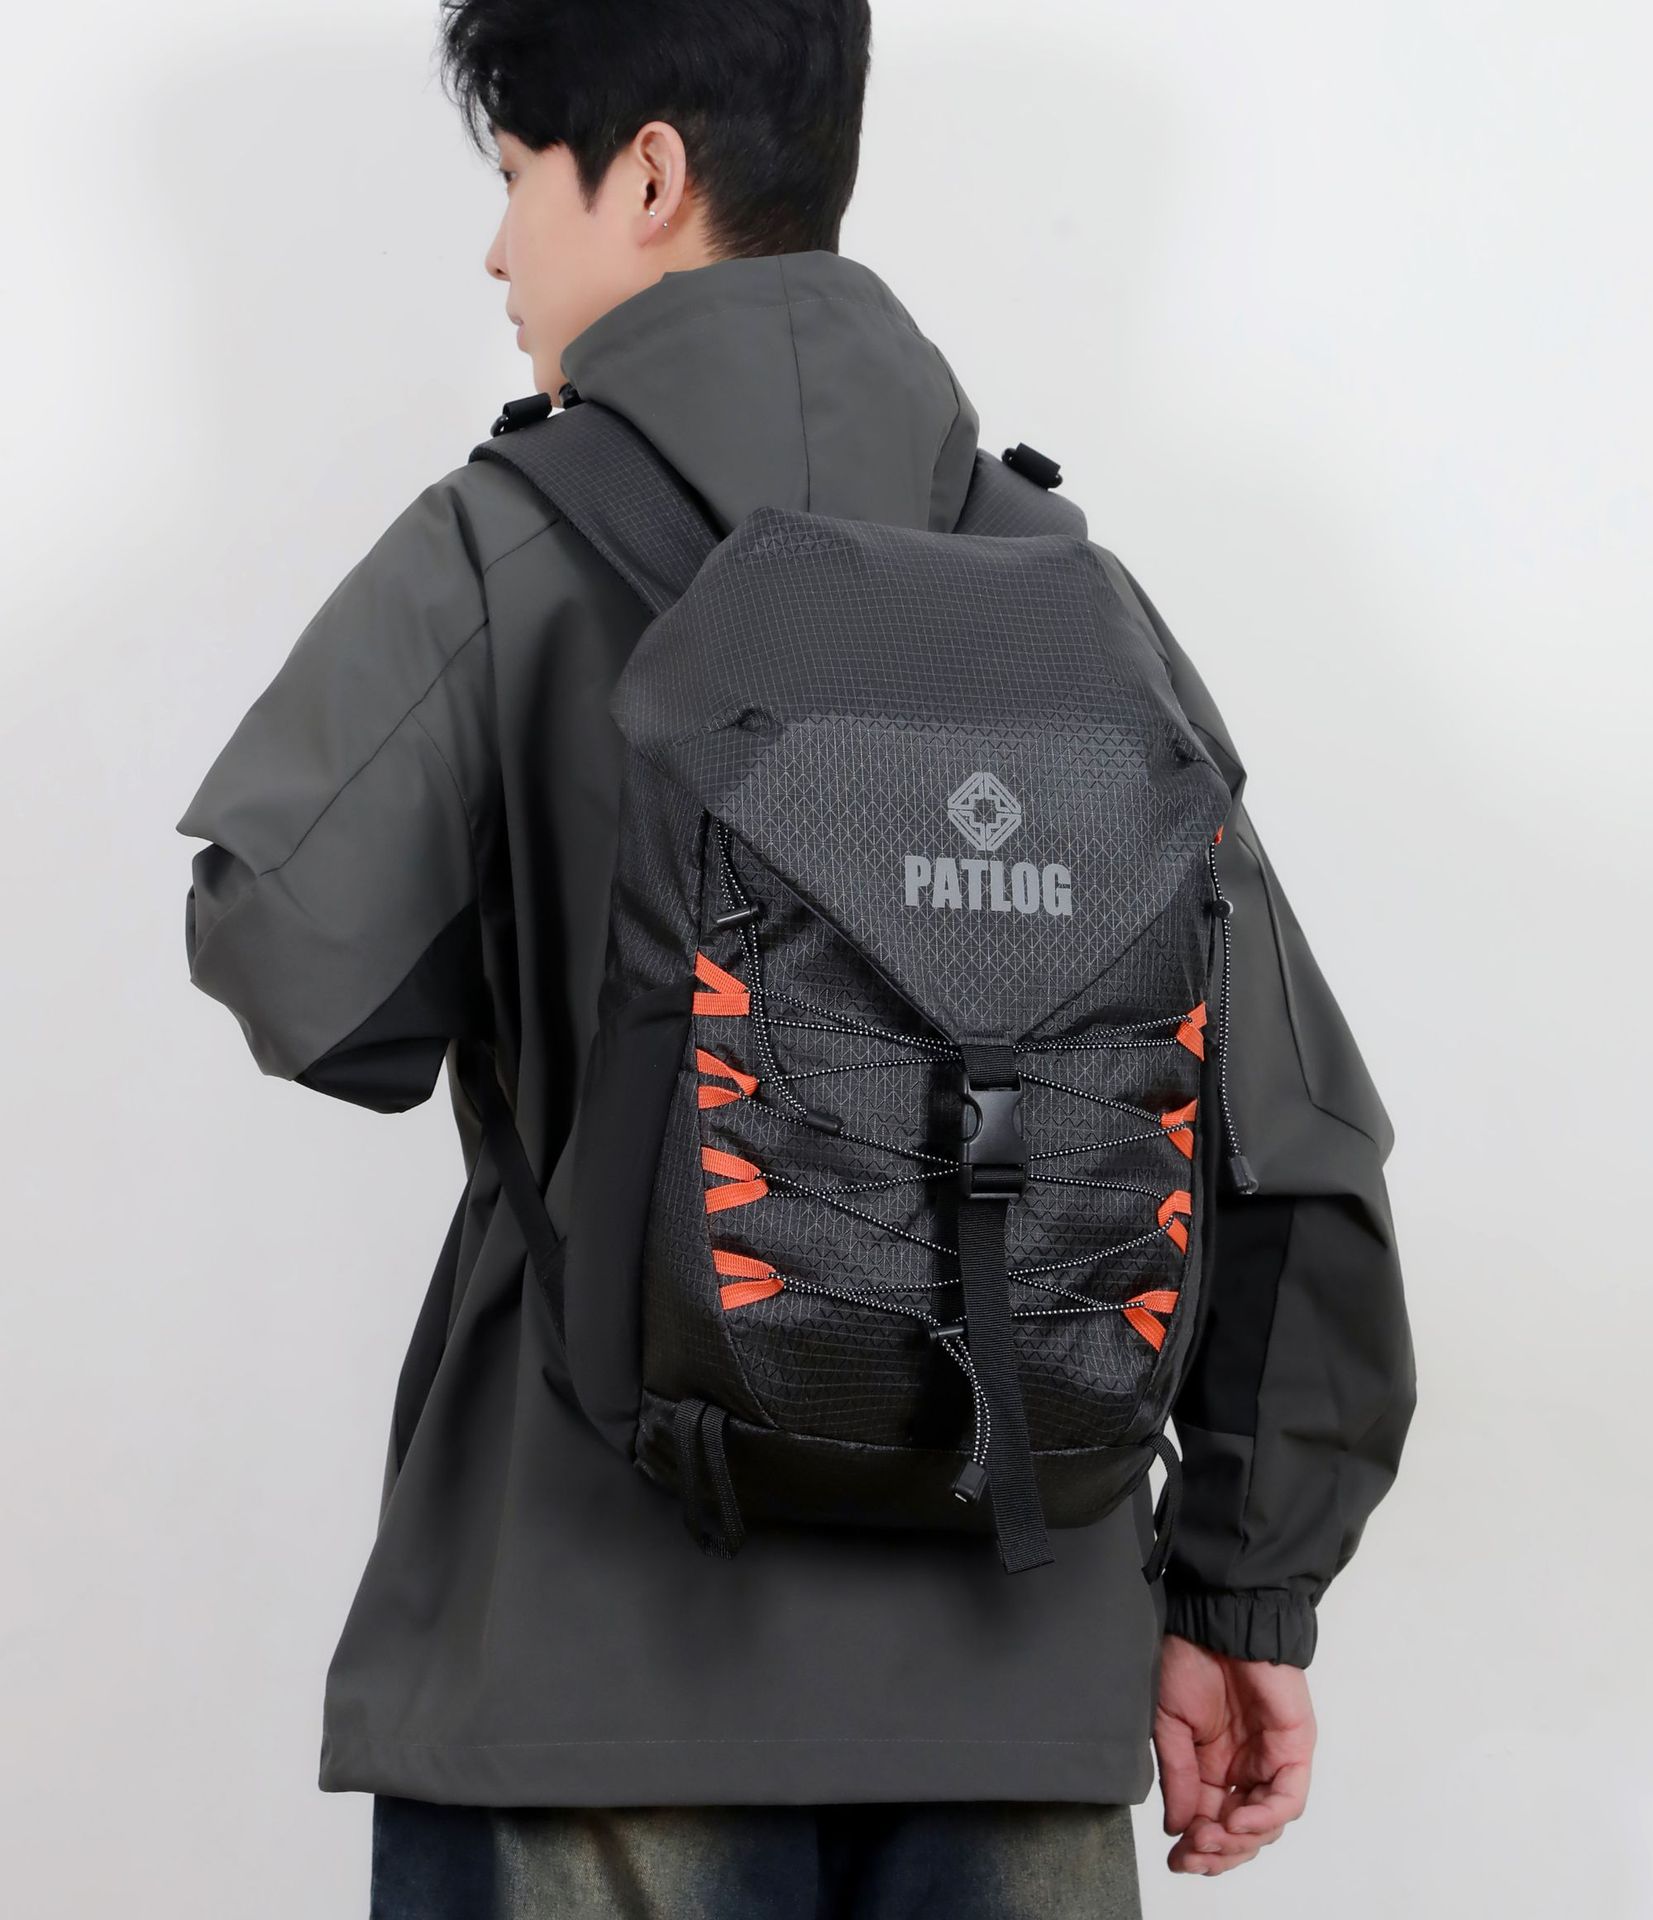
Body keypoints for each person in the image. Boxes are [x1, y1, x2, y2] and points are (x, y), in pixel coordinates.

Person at [175, 3, 1416, 1913]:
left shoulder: (504, 545)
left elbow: (291, 964)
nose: (497, 252)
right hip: (1016, 1691)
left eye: (515, 181)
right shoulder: (1075, 599)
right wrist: (1243, 1595)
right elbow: (1291, 1143)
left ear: (646, 175)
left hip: (586, 1689)